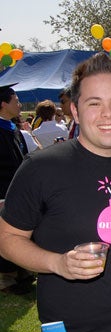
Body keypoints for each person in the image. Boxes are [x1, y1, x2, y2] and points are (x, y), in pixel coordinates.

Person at [0, 53, 111, 332]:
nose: (108, 114)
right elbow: (7, 238)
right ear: (75, 109)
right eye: (94, 103)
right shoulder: (41, 167)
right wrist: (57, 263)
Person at [0, 82, 35, 295]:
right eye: (16, 100)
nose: (20, 105)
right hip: (2, 192)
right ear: (3, 104)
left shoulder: (14, 129)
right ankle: (6, 278)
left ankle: (23, 272)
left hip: (17, 191)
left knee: (22, 229)